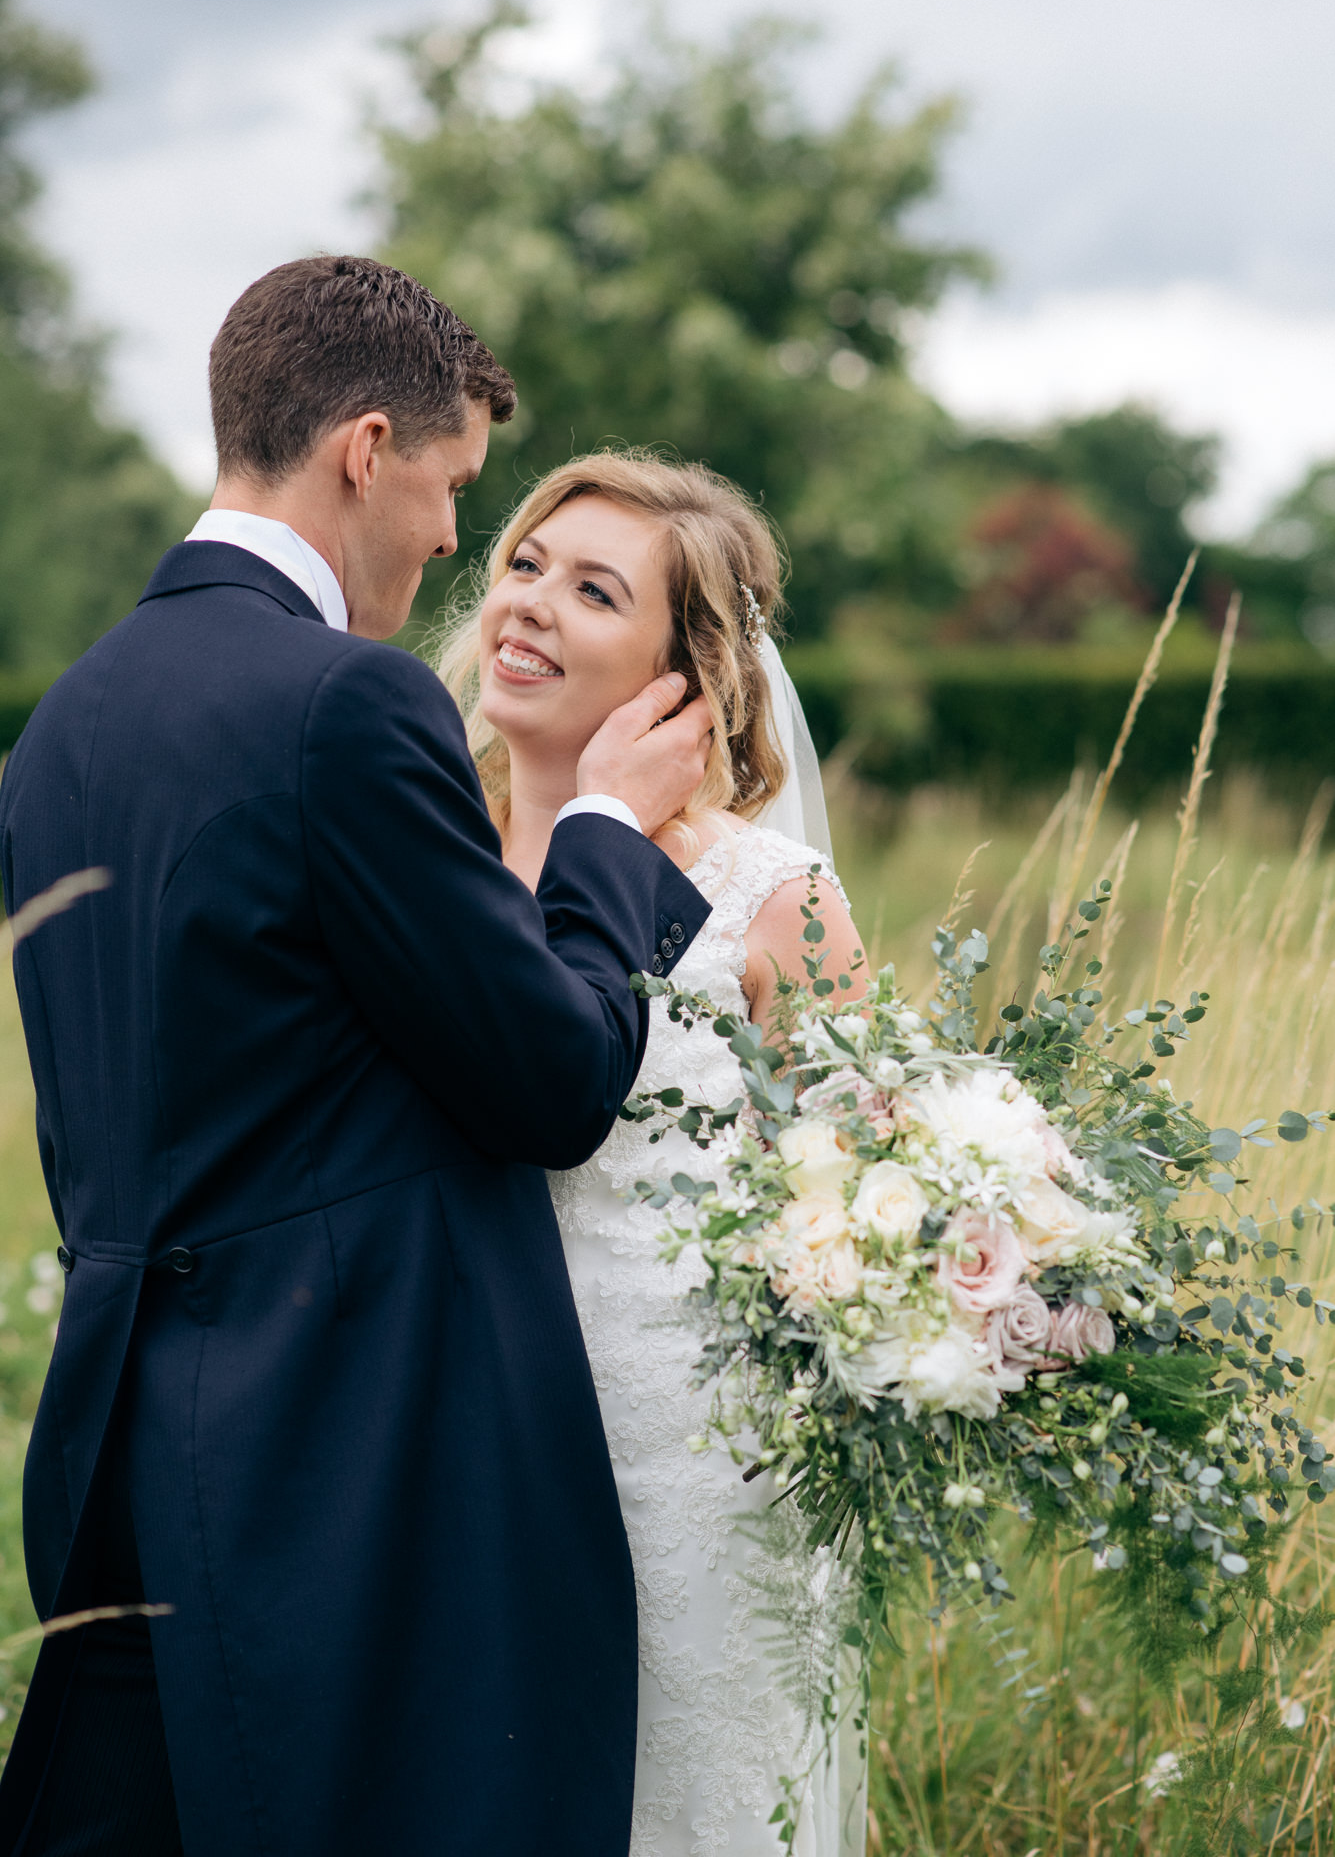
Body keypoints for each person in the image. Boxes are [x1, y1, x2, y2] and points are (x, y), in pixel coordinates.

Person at [0, 257, 716, 1857]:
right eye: (456, 487)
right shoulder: (345, 705)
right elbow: (550, 1082)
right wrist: (599, 836)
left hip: (125, 1437)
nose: (458, 539)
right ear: (365, 450)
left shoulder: (64, 723)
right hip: (346, 1459)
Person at [436, 450, 871, 1856]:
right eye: (522, 566)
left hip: (687, 1462)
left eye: (593, 590)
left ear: (679, 674)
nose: (531, 605)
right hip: (444, 1432)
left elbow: (857, 1184)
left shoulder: (773, 900)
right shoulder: (419, 856)